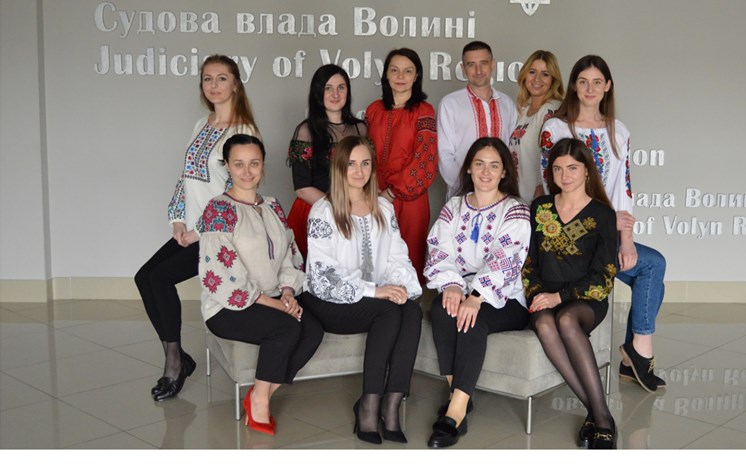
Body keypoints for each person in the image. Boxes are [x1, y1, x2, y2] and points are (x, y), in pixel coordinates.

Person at [133, 55, 258, 402]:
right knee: (144, 277)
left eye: (222, 78)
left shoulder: (243, 131)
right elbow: (186, 177)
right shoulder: (201, 124)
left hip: (219, 235)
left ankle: (174, 363)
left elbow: (239, 192)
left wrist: (199, 231)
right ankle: (180, 357)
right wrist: (177, 219)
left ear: (235, 84)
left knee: (159, 279)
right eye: (207, 79)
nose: (214, 85)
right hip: (189, 229)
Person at [541, 55, 667, 397]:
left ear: (608, 86)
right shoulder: (555, 129)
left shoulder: (618, 131)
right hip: (568, 237)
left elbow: (623, 190)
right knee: (653, 268)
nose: (590, 88)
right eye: (583, 81)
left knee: (650, 268)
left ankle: (636, 353)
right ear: (573, 86)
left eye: (597, 82)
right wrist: (604, 220)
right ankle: (638, 356)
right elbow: (550, 187)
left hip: (606, 236)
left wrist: (626, 239)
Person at [198, 135, 324, 435]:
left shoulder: (272, 206)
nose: (247, 171)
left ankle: (261, 391)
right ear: (227, 166)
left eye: (254, 163)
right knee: (287, 327)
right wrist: (276, 305)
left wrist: (288, 291)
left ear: (263, 165)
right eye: (238, 164)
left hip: (273, 296)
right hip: (228, 306)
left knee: (313, 328)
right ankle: (259, 405)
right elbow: (224, 274)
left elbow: (289, 254)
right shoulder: (219, 210)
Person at [304, 136, 423, 444]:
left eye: (365, 163)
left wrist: (398, 287)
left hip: (373, 298)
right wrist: (374, 291)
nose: (359, 171)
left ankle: (392, 403)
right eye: (352, 164)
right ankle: (369, 404)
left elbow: (397, 256)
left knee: (411, 310)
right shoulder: (324, 210)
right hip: (329, 301)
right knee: (387, 311)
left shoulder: (383, 207)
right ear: (339, 168)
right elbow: (322, 274)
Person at [423, 138, 531, 448]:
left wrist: (477, 296)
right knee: (441, 311)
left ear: (504, 172)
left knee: (472, 320)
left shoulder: (515, 210)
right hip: (462, 287)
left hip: (505, 297)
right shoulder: (454, 206)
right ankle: (460, 393)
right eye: (479, 164)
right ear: (469, 168)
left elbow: (506, 258)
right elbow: (439, 248)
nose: (486, 172)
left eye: (494, 165)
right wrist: (452, 284)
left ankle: (455, 412)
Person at [523, 139, 619, 449]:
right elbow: (529, 262)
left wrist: (560, 297)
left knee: (565, 319)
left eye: (573, 168)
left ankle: (600, 418)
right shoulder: (541, 208)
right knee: (544, 322)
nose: (565, 176)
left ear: (587, 170)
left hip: (585, 300)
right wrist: (538, 295)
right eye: (558, 169)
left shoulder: (603, 215)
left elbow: (604, 276)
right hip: (544, 295)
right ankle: (599, 414)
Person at [364, 48, 438, 280]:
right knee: (373, 257)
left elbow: (425, 159)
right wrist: (372, 188)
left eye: (408, 71)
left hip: (409, 199)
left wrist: (392, 191)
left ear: (416, 76)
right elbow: (364, 152)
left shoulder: (424, 111)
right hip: (373, 195)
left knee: (408, 258)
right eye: (394, 70)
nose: (400, 76)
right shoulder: (374, 110)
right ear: (386, 74)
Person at [286, 64, 368, 256]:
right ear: (318, 92)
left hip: (353, 212)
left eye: (341, 87)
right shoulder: (305, 130)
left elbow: (366, 174)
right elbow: (302, 188)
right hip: (316, 210)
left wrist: (355, 208)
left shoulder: (360, 129)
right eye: (328, 88)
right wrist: (338, 208)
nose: (335, 94)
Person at [437, 41, 519, 196]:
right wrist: (467, 188)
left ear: (493, 64)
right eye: (471, 64)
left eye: (484, 63)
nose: (478, 70)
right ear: (463, 68)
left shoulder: (507, 104)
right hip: (462, 194)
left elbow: (513, 151)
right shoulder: (450, 104)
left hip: (501, 194)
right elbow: (445, 155)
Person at [508, 50, 565, 202]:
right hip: (518, 195)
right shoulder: (523, 110)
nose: (537, 79)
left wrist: (543, 185)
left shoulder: (553, 109)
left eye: (545, 74)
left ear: (553, 80)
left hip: (540, 196)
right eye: (532, 72)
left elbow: (557, 153)